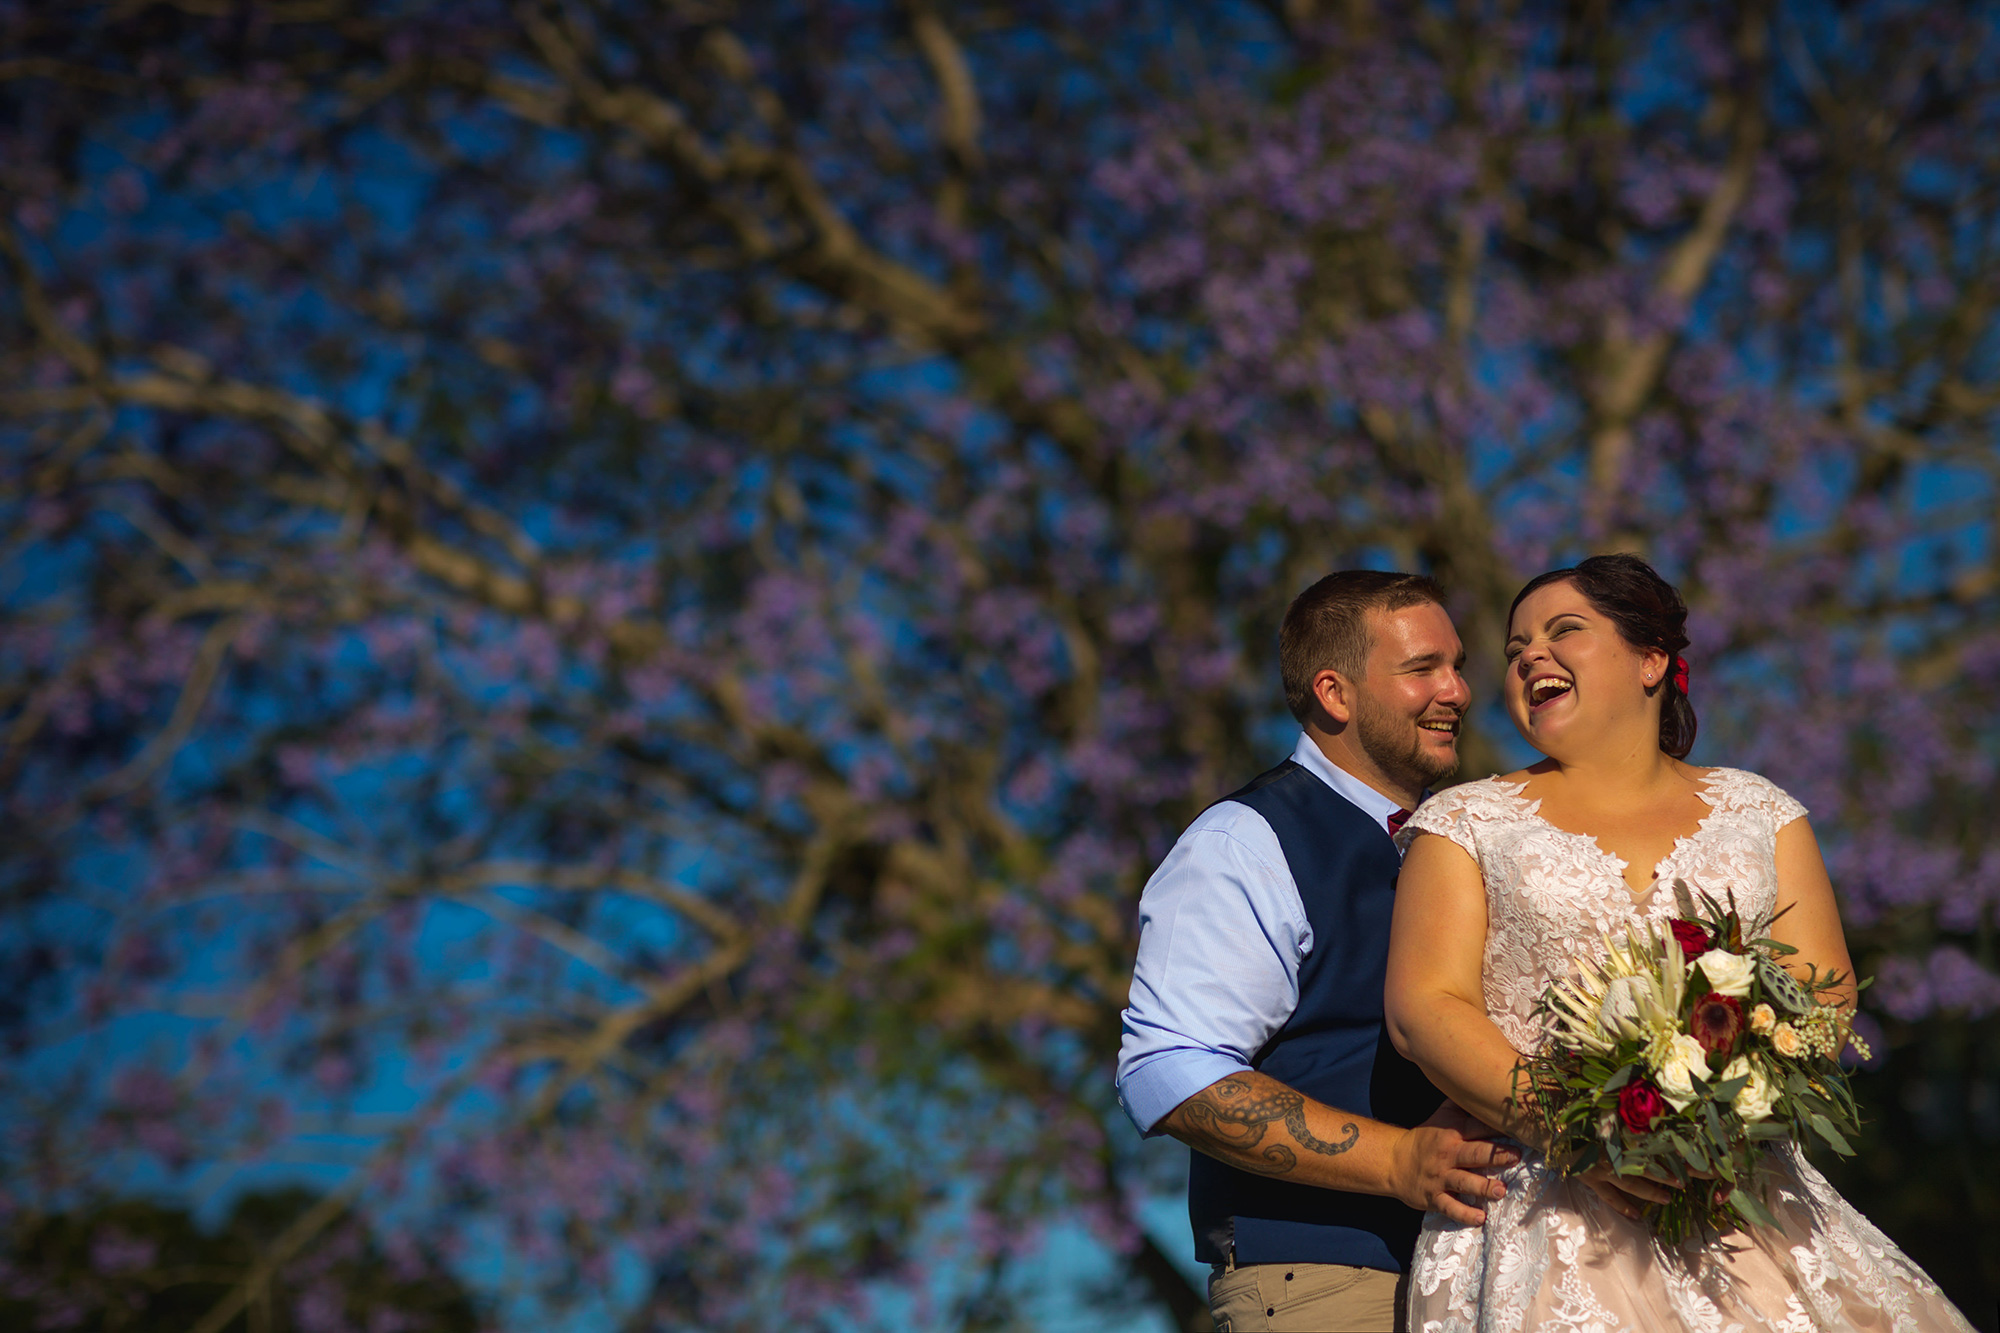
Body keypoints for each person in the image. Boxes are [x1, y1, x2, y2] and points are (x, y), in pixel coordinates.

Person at [1384, 553, 1974, 1333]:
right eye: (1515, 648)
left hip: (1741, 1196)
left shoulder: (1760, 811)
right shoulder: (1465, 822)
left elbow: (1826, 991)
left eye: (1564, 631)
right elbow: (1425, 1007)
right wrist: (1581, 1136)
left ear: (1652, 659)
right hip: (1546, 1211)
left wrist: (1724, 1105)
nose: (1530, 656)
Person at [1117, 570, 1518, 1333]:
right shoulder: (1247, 841)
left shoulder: (1456, 843)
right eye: (1422, 668)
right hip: (1331, 1289)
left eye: (1458, 664)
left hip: (1485, 1279)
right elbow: (1169, 1068)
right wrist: (1401, 1161)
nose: (1459, 690)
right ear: (1335, 693)